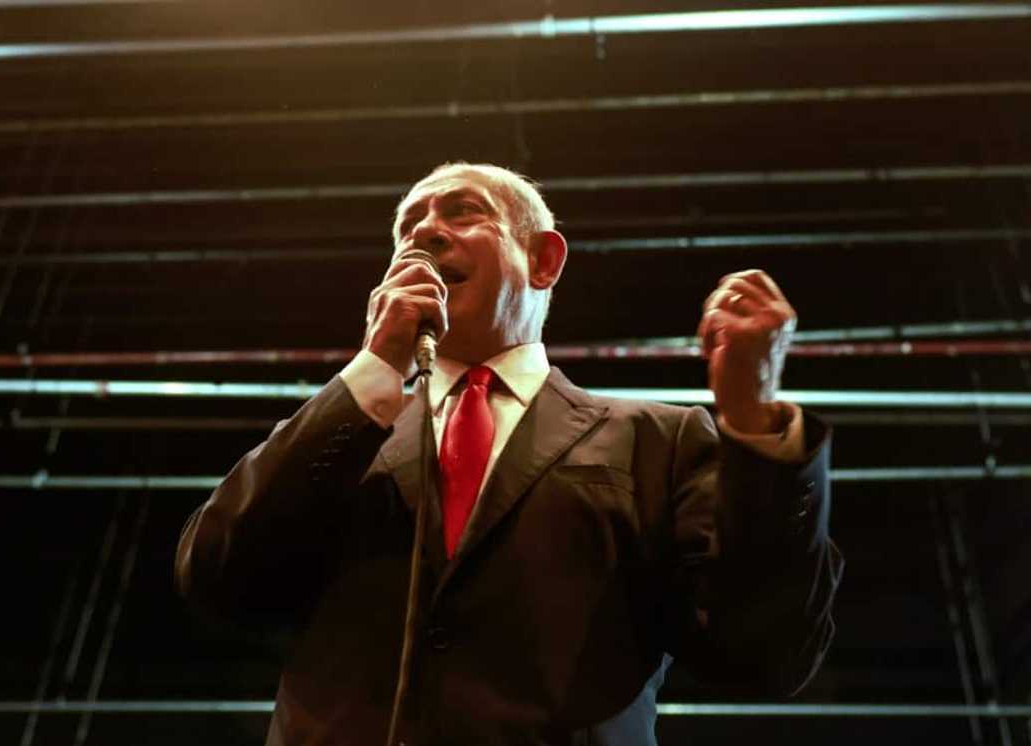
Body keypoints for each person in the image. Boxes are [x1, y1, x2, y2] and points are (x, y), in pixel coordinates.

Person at [175, 162, 844, 746]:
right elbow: (217, 579)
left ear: (544, 260)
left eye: (462, 213)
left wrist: (752, 422)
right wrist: (377, 368)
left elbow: (764, 652)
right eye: (408, 227)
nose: (425, 233)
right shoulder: (344, 438)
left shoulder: (660, 441)